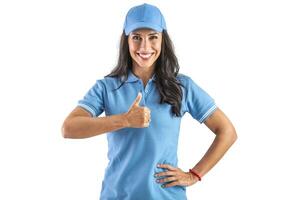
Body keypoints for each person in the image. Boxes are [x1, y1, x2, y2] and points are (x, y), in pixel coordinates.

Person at [61, 3, 237, 200]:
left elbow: (227, 132)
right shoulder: (106, 87)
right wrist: (125, 120)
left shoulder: (182, 86)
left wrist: (194, 174)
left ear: (163, 40)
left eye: (153, 37)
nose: (145, 47)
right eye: (136, 38)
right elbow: (69, 128)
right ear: (126, 41)